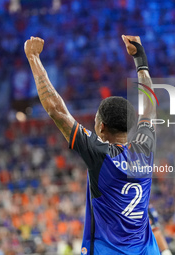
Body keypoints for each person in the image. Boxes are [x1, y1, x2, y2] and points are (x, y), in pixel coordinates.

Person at [24, 34, 159, 255]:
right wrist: (140, 59)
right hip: (146, 250)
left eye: (95, 119)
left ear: (101, 127)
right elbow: (150, 106)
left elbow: (56, 110)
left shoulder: (100, 153)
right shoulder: (145, 146)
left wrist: (33, 57)